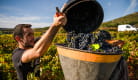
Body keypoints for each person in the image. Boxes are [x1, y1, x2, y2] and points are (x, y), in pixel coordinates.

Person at [12, 10, 67, 80]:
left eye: (33, 34)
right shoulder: (17, 55)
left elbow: (47, 36)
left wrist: (59, 22)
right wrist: (55, 25)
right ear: (18, 39)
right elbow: (37, 52)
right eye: (29, 35)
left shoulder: (32, 43)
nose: (33, 37)